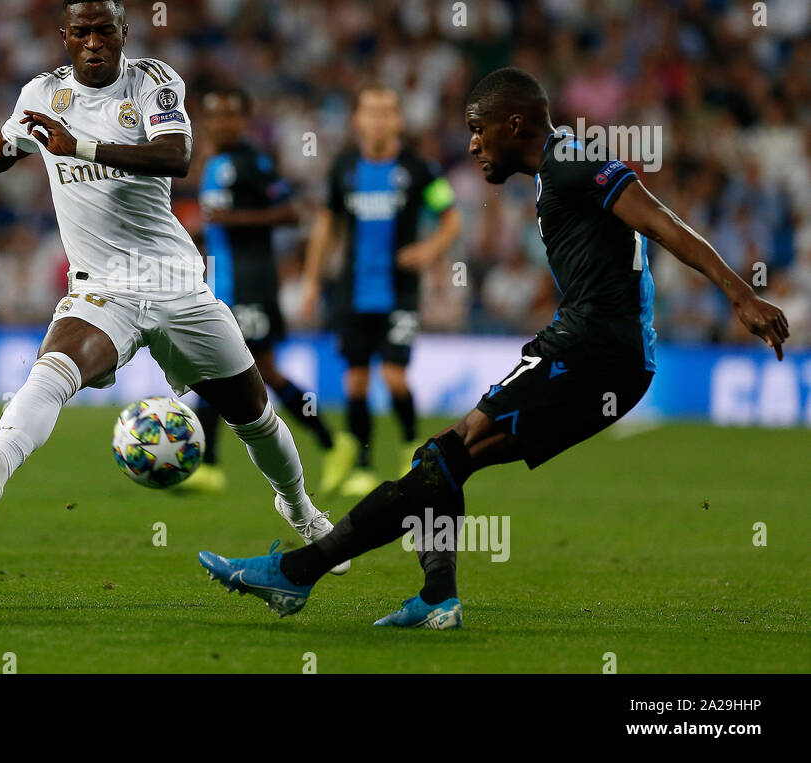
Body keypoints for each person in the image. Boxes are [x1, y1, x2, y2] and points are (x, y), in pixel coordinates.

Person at [199, 67, 788, 627]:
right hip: (608, 355)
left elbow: (661, 221)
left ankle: (297, 572)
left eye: (480, 129)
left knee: (443, 457)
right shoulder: (554, 173)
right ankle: (436, 598)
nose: (474, 143)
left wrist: (741, 296)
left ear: (514, 125)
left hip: (592, 349)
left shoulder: (572, 160)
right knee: (444, 461)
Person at [0, 0, 349, 572]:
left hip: (174, 281)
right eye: (80, 32)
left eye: (104, 29)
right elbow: (0, 151)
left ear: (123, 33)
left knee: (254, 415)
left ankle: (300, 509)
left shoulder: (154, 83)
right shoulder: (43, 95)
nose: (92, 42)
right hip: (101, 286)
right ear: (64, 38)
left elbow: (175, 156)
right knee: (53, 368)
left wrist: (80, 146)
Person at [300, 86, 461, 495]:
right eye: (371, 111)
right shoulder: (344, 168)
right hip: (352, 289)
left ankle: (413, 447)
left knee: (393, 376)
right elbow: (326, 225)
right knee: (355, 380)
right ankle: (363, 465)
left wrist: (428, 250)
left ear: (398, 120)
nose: (379, 119)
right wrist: (312, 281)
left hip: (400, 291)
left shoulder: (419, 168)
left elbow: (451, 220)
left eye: (387, 112)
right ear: (357, 119)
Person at [190, 87, 349, 494]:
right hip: (222, 280)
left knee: (243, 368)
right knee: (234, 368)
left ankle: (330, 442)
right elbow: (217, 224)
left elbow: (290, 213)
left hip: (252, 281)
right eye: (215, 116)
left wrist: (232, 219)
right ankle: (330, 442)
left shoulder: (252, 162)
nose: (222, 123)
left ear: (244, 121)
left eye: (230, 116)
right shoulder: (214, 163)